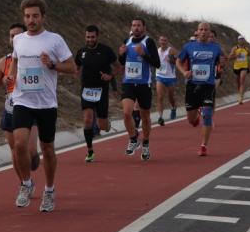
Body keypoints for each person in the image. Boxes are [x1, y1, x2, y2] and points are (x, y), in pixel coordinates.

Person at [7, 0, 74, 212]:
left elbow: (72, 67)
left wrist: (53, 64)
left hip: (46, 103)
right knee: (19, 145)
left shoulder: (54, 40)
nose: (31, 20)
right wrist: (11, 75)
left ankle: (50, 189)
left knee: (47, 149)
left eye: (35, 16)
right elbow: (16, 61)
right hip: (22, 100)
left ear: (43, 17)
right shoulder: (19, 40)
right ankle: (26, 184)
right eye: (27, 16)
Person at [0, 23, 40, 180]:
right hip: (11, 108)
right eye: (12, 36)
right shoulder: (4, 61)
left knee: (30, 154)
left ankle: (32, 158)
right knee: (15, 150)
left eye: (18, 35)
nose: (14, 38)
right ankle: (24, 183)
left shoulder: (35, 57)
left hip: (31, 106)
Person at [176, 22, 225, 156]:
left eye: (206, 30)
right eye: (201, 29)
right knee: (191, 120)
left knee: (208, 114)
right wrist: (183, 72)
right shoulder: (188, 46)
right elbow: (178, 61)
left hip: (208, 86)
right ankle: (196, 117)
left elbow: (223, 59)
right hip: (192, 86)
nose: (203, 32)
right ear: (197, 32)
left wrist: (222, 63)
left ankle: (203, 145)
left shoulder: (216, 48)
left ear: (210, 33)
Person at [119, 18, 161, 160]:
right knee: (126, 113)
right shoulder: (127, 41)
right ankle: (133, 138)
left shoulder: (148, 42)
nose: (136, 28)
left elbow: (157, 63)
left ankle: (146, 143)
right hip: (128, 83)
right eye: (133, 25)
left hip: (144, 84)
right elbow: (122, 62)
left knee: (145, 117)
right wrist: (121, 55)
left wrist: (144, 54)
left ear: (144, 27)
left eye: (138, 25)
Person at [74, 25, 118, 162]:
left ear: (97, 36)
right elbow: (76, 66)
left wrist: (110, 76)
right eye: (87, 37)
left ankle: (106, 123)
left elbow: (118, 67)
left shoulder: (106, 51)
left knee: (102, 125)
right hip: (86, 90)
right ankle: (90, 151)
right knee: (87, 120)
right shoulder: (81, 52)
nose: (90, 39)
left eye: (92, 37)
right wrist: (75, 72)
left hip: (101, 90)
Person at [155, 35, 178, 125]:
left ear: (167, 42)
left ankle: (173, 107)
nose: (163, 42)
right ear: (159, 41)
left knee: (170, 97)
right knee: (160, 97)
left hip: (170, 77)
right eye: (161, 40)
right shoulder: (157, 50)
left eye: (165, 40)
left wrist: (171, 60)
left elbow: (179, 60)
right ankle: (160, 117)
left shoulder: (171, 50)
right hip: (160, 76)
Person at [228, 35, 250, 104]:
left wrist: (249, 61)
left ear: (244, 40)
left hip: (244, 67)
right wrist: (235, 56)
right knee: (238, 82)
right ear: (238, 41)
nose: (241, 40)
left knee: (242, 80)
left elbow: (249, 57)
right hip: (236, 67)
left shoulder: (247, 49)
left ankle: (240, 98)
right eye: (240, 39)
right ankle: (240, 93)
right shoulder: (235, 48)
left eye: (242, 39)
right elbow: (229, 57)